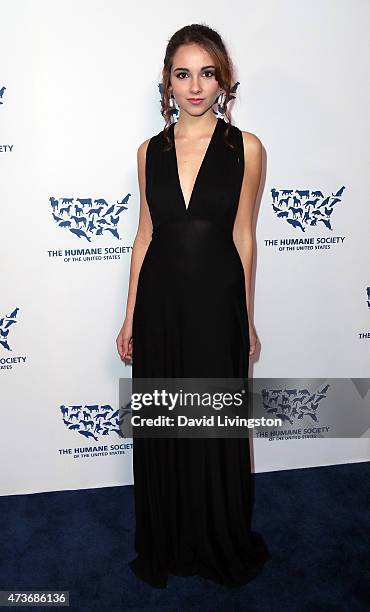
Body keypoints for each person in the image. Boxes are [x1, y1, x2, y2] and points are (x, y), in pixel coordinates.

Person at [116, 23, 271, 588]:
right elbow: (144, 235)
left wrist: (246, 317)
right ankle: (171, 540)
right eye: (183, 74)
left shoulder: (245, 148)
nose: (196, 86)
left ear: (223, 79)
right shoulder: (148, 152)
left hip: (216, 304)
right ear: (168, 82)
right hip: (159, 305)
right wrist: (130, 315)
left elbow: (245, 238)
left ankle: (217, 538)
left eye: (207, 73)